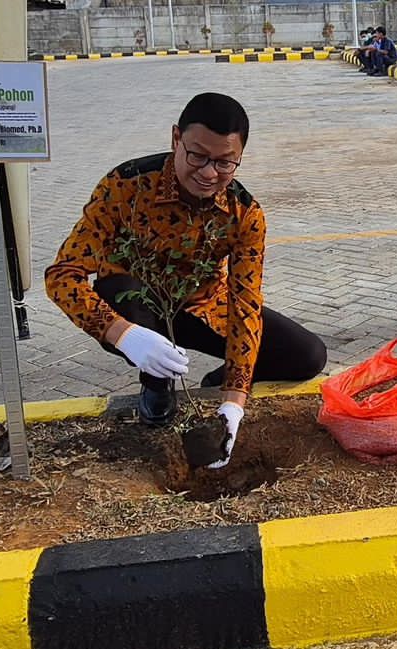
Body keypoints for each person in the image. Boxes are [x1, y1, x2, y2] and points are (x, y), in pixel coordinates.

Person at [45, 93, 328, 468]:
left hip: (201, 306)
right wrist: (122, 334)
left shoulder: (245, 214)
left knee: (307, 355)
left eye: (225, 162)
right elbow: (62, 275)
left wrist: (233, 401)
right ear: (176, 138)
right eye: (197, 155)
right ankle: (156, 387)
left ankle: (213, 384)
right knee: (123, 288)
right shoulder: (125, 187)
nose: (209, 173)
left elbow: (245, 304)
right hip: (135, 309)